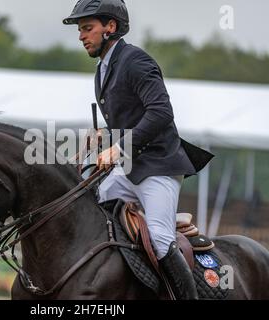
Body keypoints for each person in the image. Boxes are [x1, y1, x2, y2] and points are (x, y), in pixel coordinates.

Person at [64, 0, 214, 300]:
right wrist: (105, 140)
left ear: (111, 27)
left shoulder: (135, 60)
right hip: (128, 169)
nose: (82, 36)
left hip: (158, 167)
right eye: (80, 30)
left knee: (160, 239)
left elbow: (160, 113)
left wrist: (117, 148)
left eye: (88, 28)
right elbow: (132, 120)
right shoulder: (102, 70)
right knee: (88, 211)